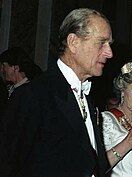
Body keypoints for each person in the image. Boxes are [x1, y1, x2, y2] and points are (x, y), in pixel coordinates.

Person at [0, 8, 113, 177]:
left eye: (109, 44)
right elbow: (8, 165)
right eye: (102, 43)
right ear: (73, 42)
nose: (109, 53)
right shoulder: (33, 95)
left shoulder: (87, 97)